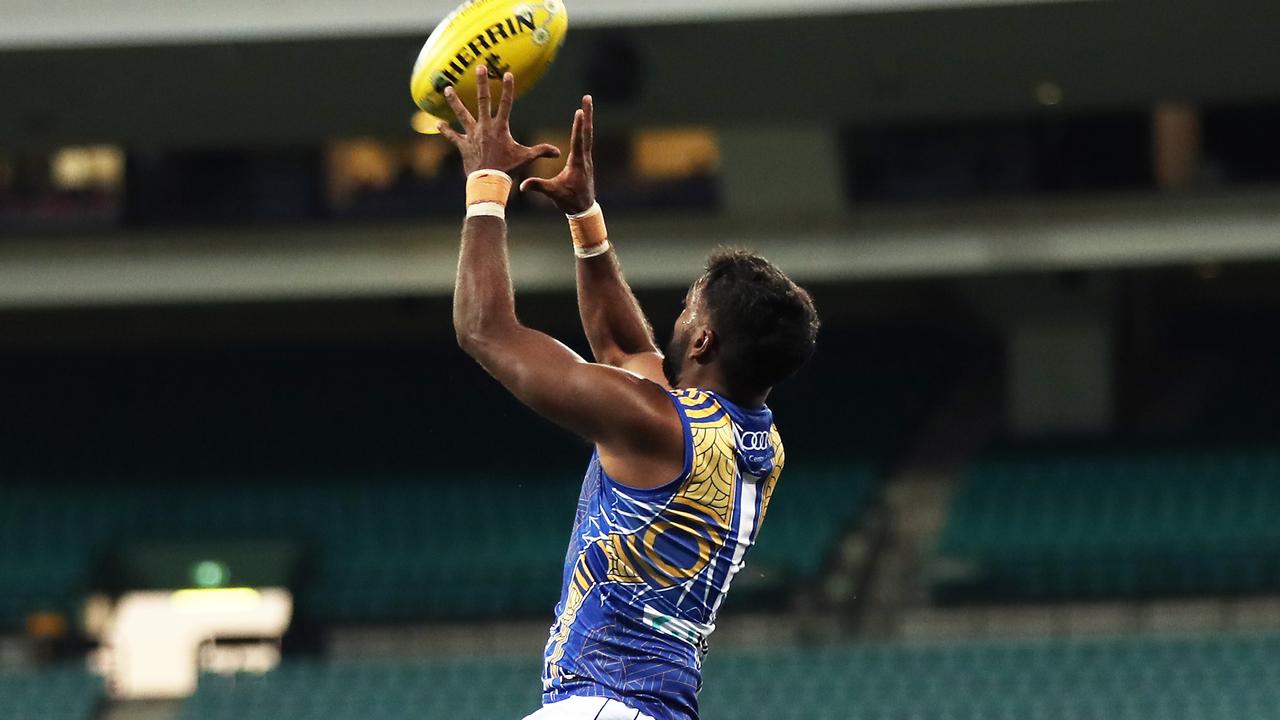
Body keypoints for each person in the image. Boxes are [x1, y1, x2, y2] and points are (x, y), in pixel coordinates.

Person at [438, 66, 820, 720]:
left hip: (601, 708)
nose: (676, 318)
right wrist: (585, 217)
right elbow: (625, 352)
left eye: (687, 310)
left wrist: (485, 182)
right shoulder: (756, 443)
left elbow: (484, 330)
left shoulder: (657, 424)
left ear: (701, 344)